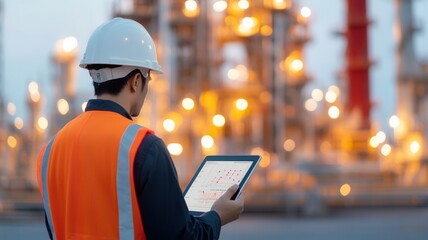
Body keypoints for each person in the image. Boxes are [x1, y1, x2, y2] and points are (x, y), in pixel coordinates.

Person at [36, 17, 244, 240]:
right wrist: (217, 216)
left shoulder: (50, 150)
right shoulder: (143, 147)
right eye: (149, 78)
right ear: (136, 80)